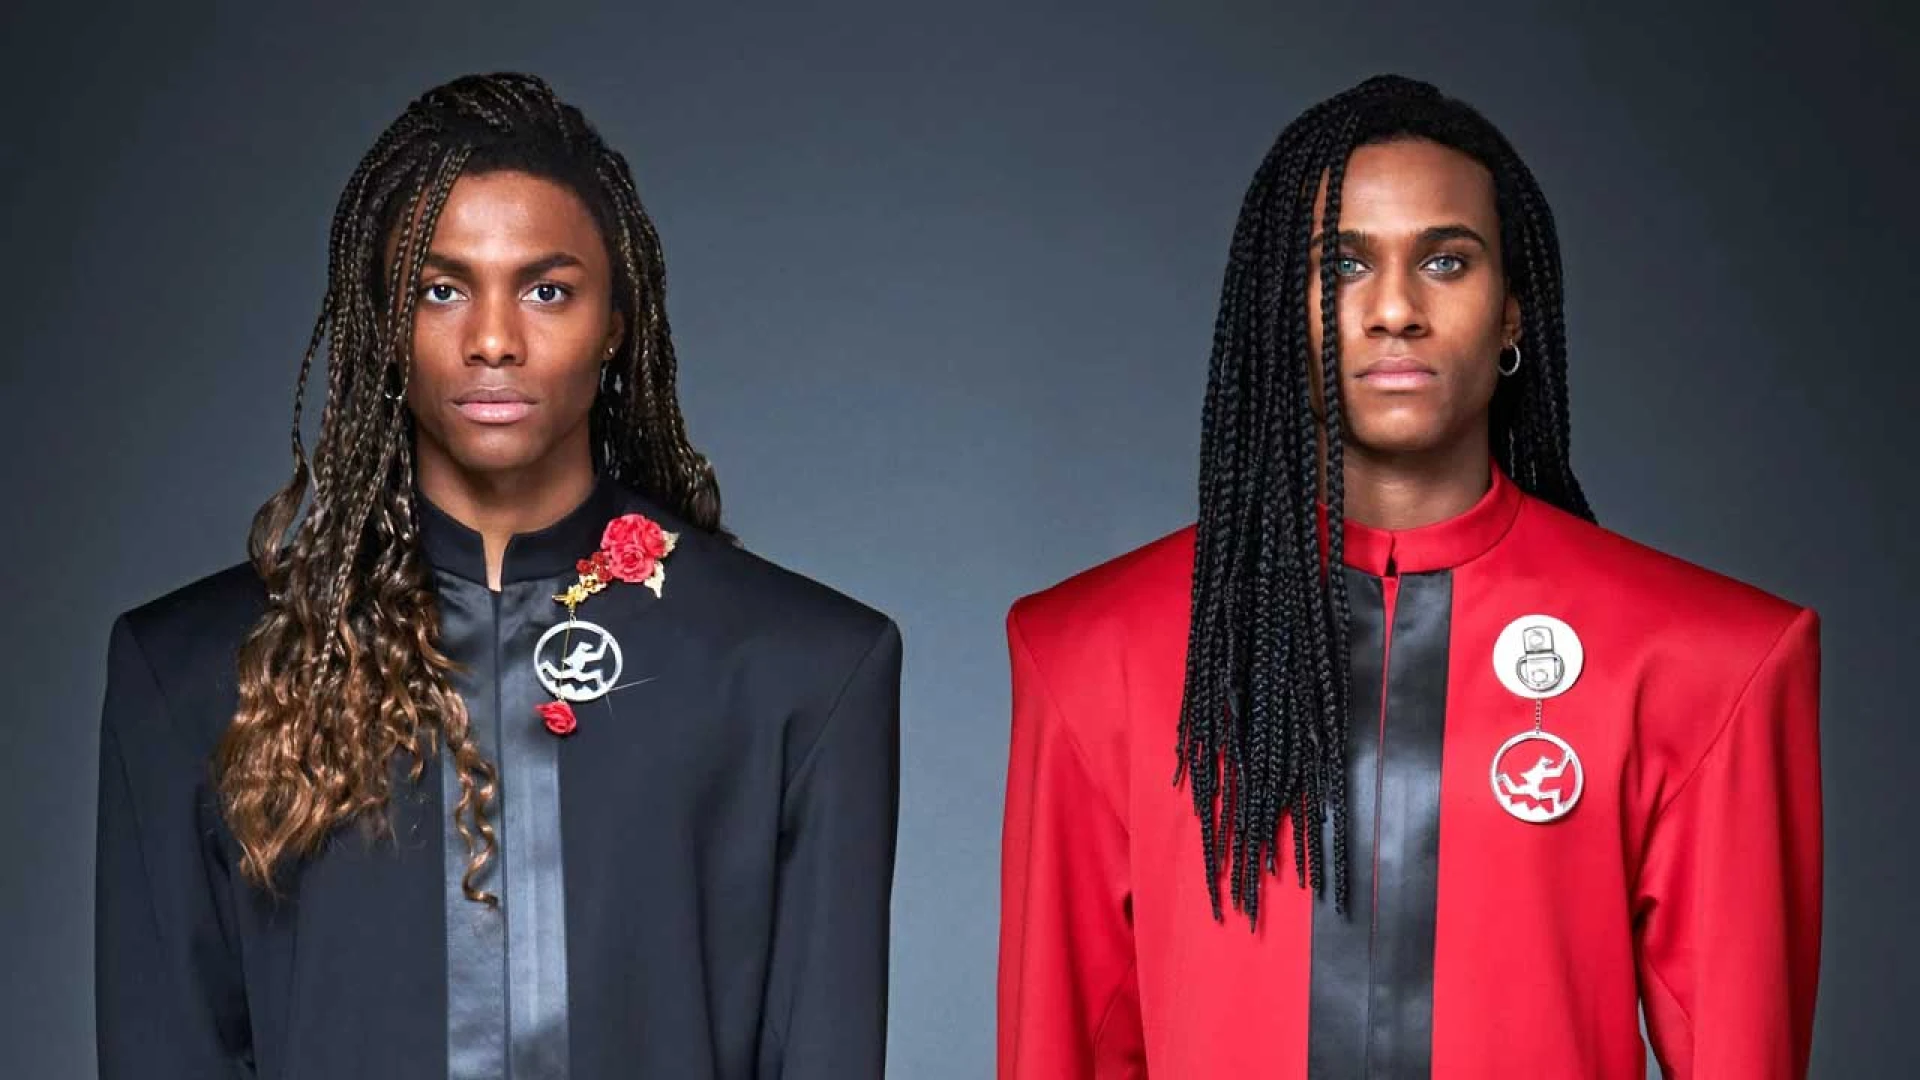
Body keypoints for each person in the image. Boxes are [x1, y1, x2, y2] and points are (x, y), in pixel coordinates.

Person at [998, 74, 1821, 1078]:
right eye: (1342, 264)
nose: (1394, 309)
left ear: (1511, 313)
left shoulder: (1708, 662)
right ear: (1278, 311)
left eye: (1445, 261)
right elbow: (1063, 1047)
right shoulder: (1093, 653)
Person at [94, 72, 901, 1079]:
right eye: (441, 289)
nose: (492, 339)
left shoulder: (801, 673)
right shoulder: (195, 671)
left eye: (546, 289)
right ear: (384, 320)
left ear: (616, 322)